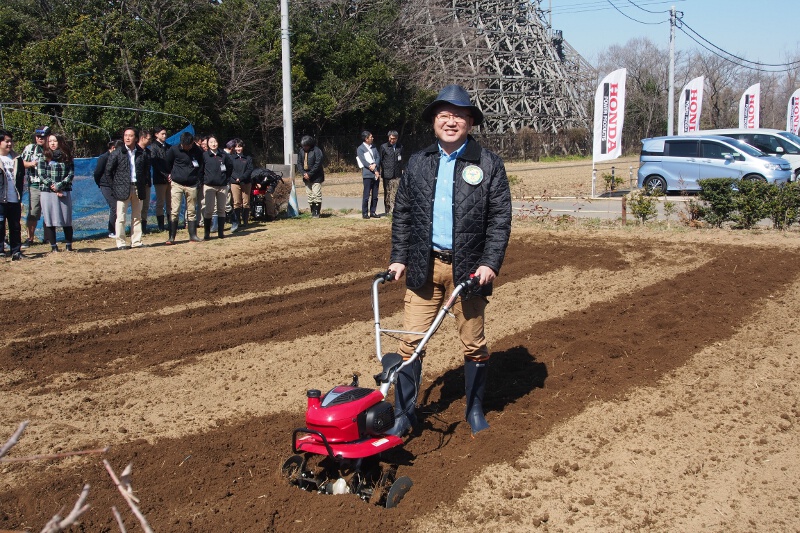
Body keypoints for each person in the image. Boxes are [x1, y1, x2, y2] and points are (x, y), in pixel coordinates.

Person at [387, 84, 512, 437]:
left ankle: (474, 409)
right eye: (444, 115)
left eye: (458, 115)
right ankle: (403, 414)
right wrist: (399, 258)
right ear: (434, 122)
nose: (451, 121)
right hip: (424, 266)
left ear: (470, 121)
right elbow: (404, 214)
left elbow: (500, 219)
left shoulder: (488, 164)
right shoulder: (419, 162)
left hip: (468, 271)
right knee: (410, 341)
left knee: (473, 342)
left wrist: (489, 264)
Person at [105, 127, 150, 250]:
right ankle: (121, 242)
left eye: (130, 135)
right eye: (125, 135)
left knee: (137, 216)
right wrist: (115, 186)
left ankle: (136, 241)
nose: (127, 138)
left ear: (136, 138)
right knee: (121, 217)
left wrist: (144, 182)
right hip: (122, 188)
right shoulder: (117, 153)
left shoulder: (142, 153)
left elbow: (146, 170)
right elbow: (108, 171)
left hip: (137, 187)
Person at [37, 133, 75, 253]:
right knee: (49, 219)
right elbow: (41, 174)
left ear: (60, 142)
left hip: (64, 190)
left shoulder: (67, 157)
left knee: (66, 219)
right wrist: (53, 186)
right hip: (47, 191)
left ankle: (69, 246)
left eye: (55, 141)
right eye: (50, 141)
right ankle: (54, 247)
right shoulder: (43, 157)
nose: (52, 143)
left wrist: (60, 186)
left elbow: (70, 174)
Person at [165, 132, 204, 244]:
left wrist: (198, 179)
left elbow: (201, 165)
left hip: (192, 184)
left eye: (189, 145)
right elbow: (167, 163)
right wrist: (169, 174)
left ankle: (193, 235)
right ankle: (171, 237)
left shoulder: (197, 151)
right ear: (181, 143)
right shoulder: (174, 150)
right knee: (175, 210)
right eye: (185, 145)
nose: (187, 147)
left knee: (192, 210)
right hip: (177, 183)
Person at [20, 126, 48, 248]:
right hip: (35, 184)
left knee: (49, 212)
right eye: (38, 136)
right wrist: (31, 164)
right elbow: (21, 163)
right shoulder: (30, 148)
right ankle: (30, 238)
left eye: (42, 136)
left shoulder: (52, 148)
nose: (40, 139)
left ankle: (48, 238)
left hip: (49, 185)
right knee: (33, 212)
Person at [0, 129, 25, 260]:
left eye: (11, 141)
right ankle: (1, 251)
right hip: (1, 199)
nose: (9, 144)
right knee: (0, 225)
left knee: (15, 226)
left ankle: (16, 251)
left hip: (14, 198)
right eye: (6, 141)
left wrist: (20, 197)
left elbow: (21, 180)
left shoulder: (16, 158)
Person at [201, 134, 232, 240]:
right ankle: (207, 233)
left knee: (221, 209)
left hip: (222, 186)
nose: (213, 144)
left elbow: (229, 167)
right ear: (207, 144)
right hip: (209, 186)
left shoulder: (223, 155)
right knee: (209, 209)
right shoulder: (204, 155)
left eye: (215, 142)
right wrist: (203, 181)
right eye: (211, 142)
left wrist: (226, 179)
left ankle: (220, 233)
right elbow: (201, 170)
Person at [94, 140, 120, 238]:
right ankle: (112, 230)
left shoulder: (117, 157)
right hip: (105, 185)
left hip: (115, 185)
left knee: (117, 207)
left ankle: (116, 229)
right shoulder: (103, 158)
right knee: (114, 206)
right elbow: (97, 172)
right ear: (113, 148)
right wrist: (100, 183)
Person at [149, 126, 171, 231]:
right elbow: (155, 164)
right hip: (160, 179)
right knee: (160, 202)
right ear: (156, 134)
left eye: (165, 134)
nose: (164, 135)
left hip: (171, 179)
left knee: (170, 202)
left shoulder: (169, 147)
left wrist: (171, 175)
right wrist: (166, 175)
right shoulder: (153, 147)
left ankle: (171, 223)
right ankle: (161, 225)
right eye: (162, 133)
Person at [296, 136, 324, 218]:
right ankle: (312, 210)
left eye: (306, 146)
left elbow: (318, 164)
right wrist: (304, 173)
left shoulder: (317, 151)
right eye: (303, 146)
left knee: (316, 194)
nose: (304, 147)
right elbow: (299, 163)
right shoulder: (301, 151)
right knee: (309, 195)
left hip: (316, 176)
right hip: (306, 176)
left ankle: (316, 212)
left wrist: (310, 174)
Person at [229, 139, 253, 231]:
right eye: (236, 147)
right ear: (234, 148)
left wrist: (242, 178)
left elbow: (249, 169)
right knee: (236, 203)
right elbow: (230, 169)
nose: (238, 148)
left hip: (246, 182)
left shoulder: (248, 158)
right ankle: (237, 221)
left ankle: (245, 221)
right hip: (234, 182)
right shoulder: (231, 158)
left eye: (240, 146)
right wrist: (236, 178)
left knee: (246, 202)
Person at [356, 131, 381, 219]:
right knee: (366, 195)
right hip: (368, 174)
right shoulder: (360, 149)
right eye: (371, 137)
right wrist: (373, 168)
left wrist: (375, 165)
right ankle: (365, 213)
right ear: (366, 139)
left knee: (375, 195)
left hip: (376, 174)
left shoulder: (374, 147)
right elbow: (364, 162)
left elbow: (378, 157)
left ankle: (373, 211)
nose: (372, 138)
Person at [378, 130, 403, 215]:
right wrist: (380, 171)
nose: (392, 140)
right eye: (391, 138)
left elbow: (401, 160)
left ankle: (396, 209)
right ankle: (387, 210)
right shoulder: (384, 147)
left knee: (397, 192)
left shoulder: (400, 147)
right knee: (387, 192)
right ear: (389, 137)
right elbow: (380, 160)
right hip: (387, 173)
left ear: (397, 138)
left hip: (397, 173)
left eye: (394, 139)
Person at [137, 129, 153, 234]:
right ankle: (137, 228)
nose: (150, 141)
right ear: (142, 138)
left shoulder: (148, 152)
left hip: (146, 182)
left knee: (145, 206)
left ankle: (143, 227)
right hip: (137, 183)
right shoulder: (135, 151)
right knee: (138, 206)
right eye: (149, 138)